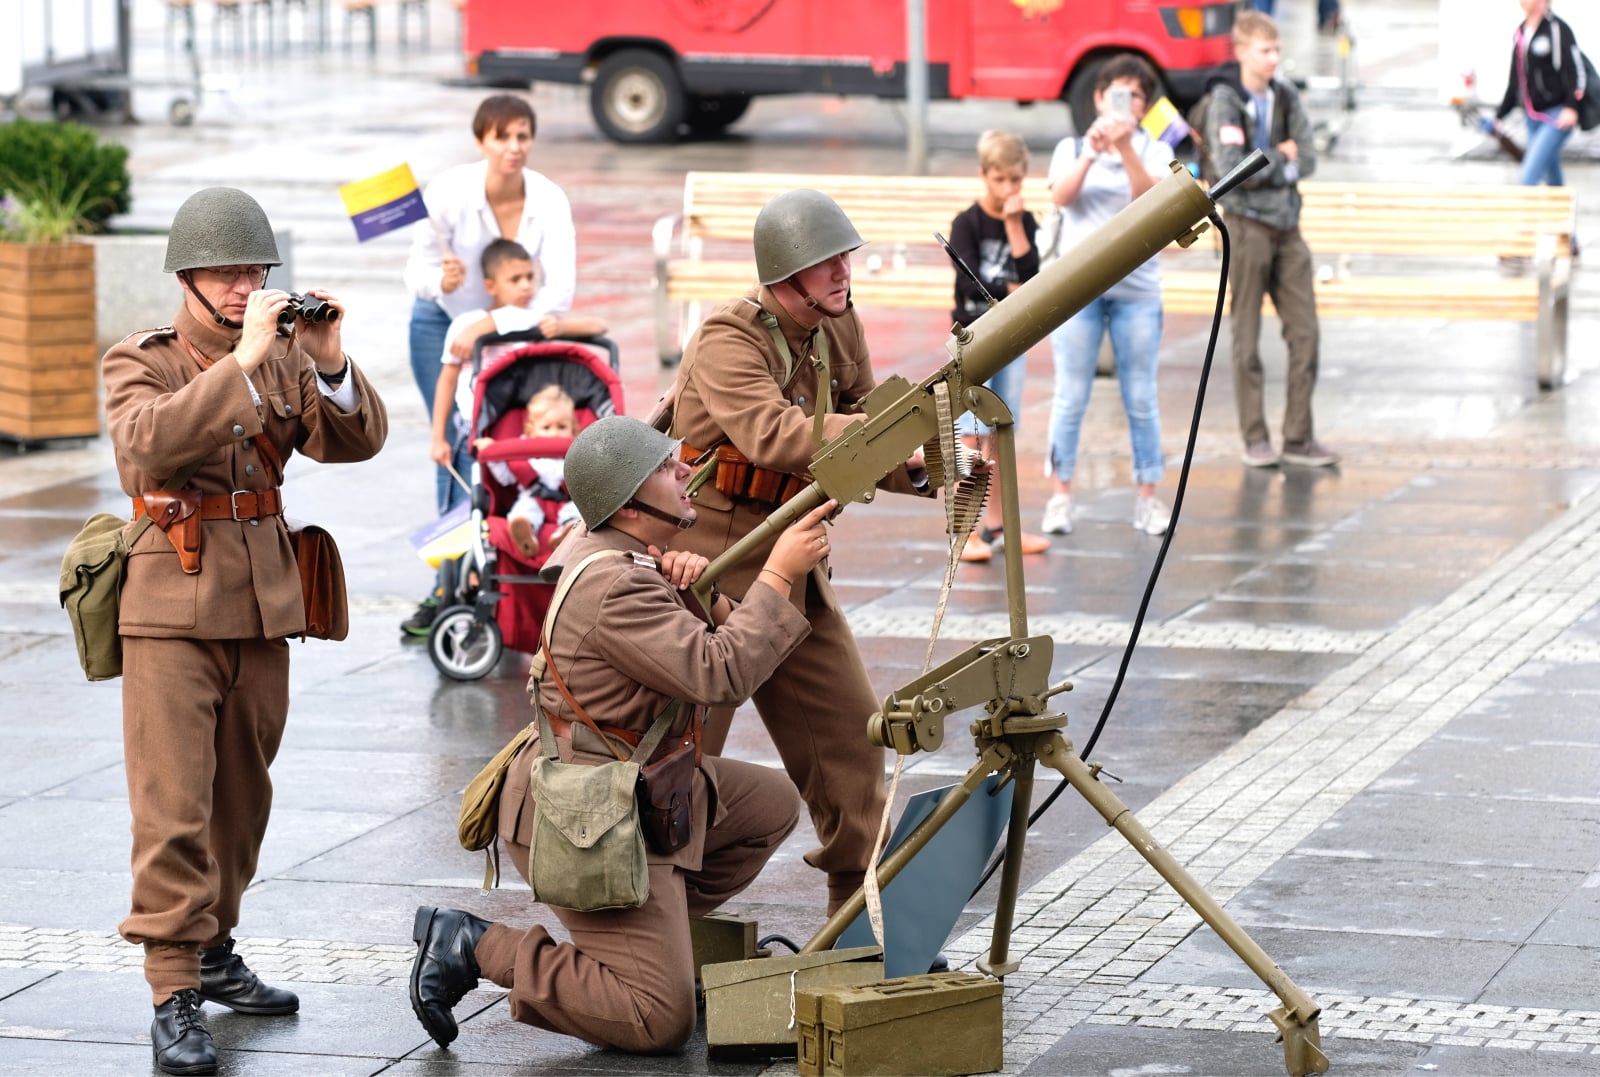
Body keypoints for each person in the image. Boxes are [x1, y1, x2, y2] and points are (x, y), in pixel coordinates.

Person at [408, 415, 837, 1054]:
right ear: (631, 507)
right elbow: (721, 673)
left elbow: (702, 651)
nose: (686, 470)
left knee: (768, 805)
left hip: (633, 795)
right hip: (583, 817)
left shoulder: (625, 555)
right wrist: (778, 574)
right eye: (666, 469)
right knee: (659, 1023)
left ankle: (641, 942)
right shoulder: (616, 584)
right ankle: (473, 944)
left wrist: (705, 587)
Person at [101, 187, 388, 1076]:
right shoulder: (139, 359)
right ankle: (171, 986)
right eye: (226, 271)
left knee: (242, 800)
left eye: (254, 270)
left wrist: (332, 362)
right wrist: (246, 360)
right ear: (185, 276)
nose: (242, 286)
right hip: (172, 607)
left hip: (263, 606)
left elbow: (357, 441)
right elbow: (145, 448)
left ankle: (215, 947)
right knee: (173, 805)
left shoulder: (287, 356)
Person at [668, 188, 938, 914]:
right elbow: (775, 433)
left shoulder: (835, 326)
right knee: (682, 755)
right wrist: (895, 430)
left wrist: (926, 460)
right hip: (707, 560)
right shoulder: (727, 337)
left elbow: (868, 412)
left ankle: (858, 912)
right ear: (785, 274)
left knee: (851, 736)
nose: (842, 273)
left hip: (790, 548)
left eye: (844, 258)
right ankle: (662, 913)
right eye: (826, 264)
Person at [401, 93, 576, 636]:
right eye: (502, 136)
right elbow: (419, 269)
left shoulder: (548, 199)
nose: (514, 147)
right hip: (444, 325)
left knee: (497, 440)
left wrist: (495, 324)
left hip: (510, 334)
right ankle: (447, 584)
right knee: (453, 449)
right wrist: (442, 282)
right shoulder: (450, 192)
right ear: (482, 142)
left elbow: (560, 292)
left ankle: (486, 574)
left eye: (523, 135)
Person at [1200, 9, 1339, 469]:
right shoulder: (1226, 100)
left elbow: (1311, 158)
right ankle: (1255, 437)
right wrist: (1281, 157)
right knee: (1247, 338)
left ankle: (1298, 437)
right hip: (1246, 227)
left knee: (1306, 334)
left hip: (1287, 228)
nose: (1273, 58)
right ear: (1241, 52)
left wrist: (1271, 164)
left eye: (1277, 49)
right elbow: (1232, 171)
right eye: (1264, 50)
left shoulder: (1285, 95)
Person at [1043, 55, 1174, 538]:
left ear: (1144, 105)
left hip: (1137, 291)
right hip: (1079, 291)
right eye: (1117, 94)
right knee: (1070, 396)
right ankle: (1060, 497)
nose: (1126, 104)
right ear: (1098, 99)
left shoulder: (1156, 150)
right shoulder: (1072, 146)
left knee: (1140, 396)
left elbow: (1153, 202)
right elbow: (1061, 197)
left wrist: (1127, 151)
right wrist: (1093, 152)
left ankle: (1148, 498)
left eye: (1136, 96)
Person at [948, 130, 1052, 564]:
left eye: (1015, 180)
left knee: (1002, 434)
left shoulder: (1024, 222)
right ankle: (964, 530)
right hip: (975, 336)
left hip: (1012, 338)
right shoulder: (967, 222)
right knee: (972, 436)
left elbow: (1033, 272)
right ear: (983, 176)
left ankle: (1001, 527)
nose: (1008, 189)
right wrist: (1009, 288)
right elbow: (968, 279)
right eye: (999, 180)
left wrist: (1013, 223)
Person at [429, 238, 605, 488]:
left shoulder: (532, 321)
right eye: (515, 280)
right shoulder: (465, 325)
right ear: (490, 286)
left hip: (521, 422)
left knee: (522, 483)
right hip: (474, 422)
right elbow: (447, 380)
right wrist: (438, 438)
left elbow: (599, 326)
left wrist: (561, 326)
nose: (525, 286)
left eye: (530, 277)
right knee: (471, 489)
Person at [474, 384, 584, 559]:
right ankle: (525, 532)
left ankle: (565, 533)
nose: (554, 433)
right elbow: (505, 478)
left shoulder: (577, 449)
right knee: (524, 510)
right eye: (546, 428)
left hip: (567, 499)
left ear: (573, 429)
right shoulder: (523, 452)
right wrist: (493, 454)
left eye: (562, 427)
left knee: (577, 514)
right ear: (531, 430)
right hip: (532, 497)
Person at [1494, 1, 1586, 196]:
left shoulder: (1557, 28)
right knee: (1553, 179)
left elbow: (1575, 70)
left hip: (1556, 116)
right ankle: (1565, 227)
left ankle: (1525, 225)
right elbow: (1515, 79)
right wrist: (1500, 115)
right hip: (1532, 118)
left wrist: (1572, 107)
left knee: (1529, 175)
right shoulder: (1521, 32)